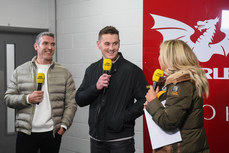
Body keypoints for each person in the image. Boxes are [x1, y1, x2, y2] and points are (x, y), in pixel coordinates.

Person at [75, 26, 148, 153]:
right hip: (96, 138)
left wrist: (123, 117)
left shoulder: (132, 71)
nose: (111, 48)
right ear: (99, 44)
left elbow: (146, 100)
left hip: (121, 140)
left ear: (119, 43)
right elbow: (80, 99)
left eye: (115, 43)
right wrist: (95, 88)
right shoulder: (92, 69)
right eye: (107, 43)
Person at [4, 32, 77, 153]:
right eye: (45, 43)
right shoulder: (20, 71)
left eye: (52, 44)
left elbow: (72, 103)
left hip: (52, 133)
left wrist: (63, 127)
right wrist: (27, 99)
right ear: (36, 46)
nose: (50, 47)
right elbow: (8, 98)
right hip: (26, 132)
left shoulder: (64, 73)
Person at [144, 39, 210, 153]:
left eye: (161, 55)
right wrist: (153, 103)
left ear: (170, 58)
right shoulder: (178, 82)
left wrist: (153, 101)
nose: (159, 58)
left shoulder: (181, 84)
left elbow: (168, 121)